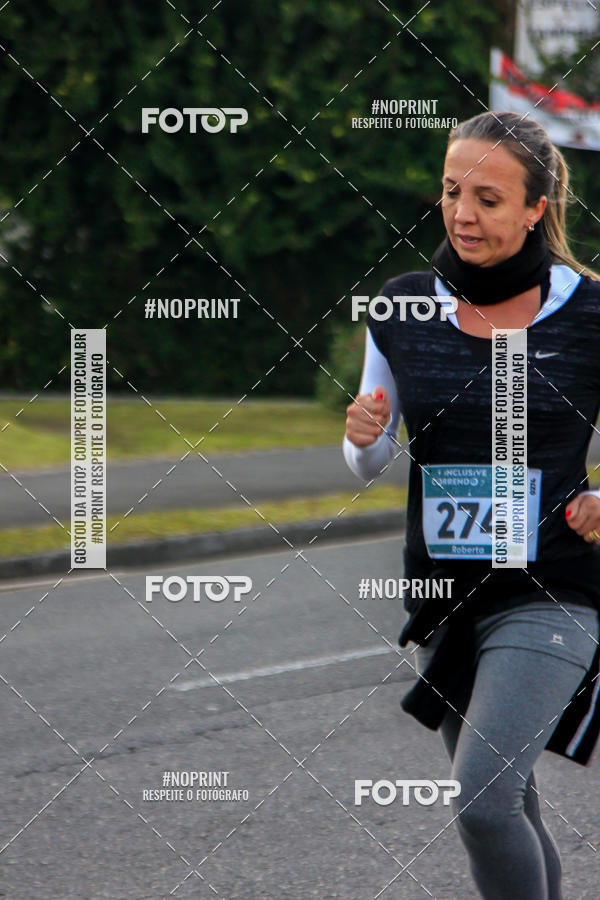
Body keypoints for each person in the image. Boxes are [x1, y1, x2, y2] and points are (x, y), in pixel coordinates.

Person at [343, 110, 600, 900]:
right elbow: (368, 460)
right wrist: (363, 438)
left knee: (484, 799)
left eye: (488, 199)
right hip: (448, 595)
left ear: (535, 208)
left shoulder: (590, 312)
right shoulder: (402, 305)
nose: (463, 213)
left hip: (553, 585)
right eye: (453, 191)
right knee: (508, 802)